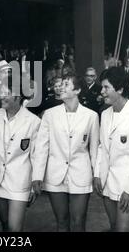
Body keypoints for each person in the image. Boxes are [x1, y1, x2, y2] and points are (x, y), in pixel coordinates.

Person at [34, 75, 99, 232]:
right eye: (60, 84)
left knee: (79, 222)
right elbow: (42, 147)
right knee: (61, 221)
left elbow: (94, 149)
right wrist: (37, 176)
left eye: (66, 84)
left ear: (77, 90)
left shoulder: (91, 116)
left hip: (81, 173)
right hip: (55, 174)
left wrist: (96, 174)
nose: (61, 87)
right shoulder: (49, 114)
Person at [94, 67, 129, 232]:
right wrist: (98, 174)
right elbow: (101, 147)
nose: (102, 92)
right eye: (102, 87)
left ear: (119, 89)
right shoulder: (105, 114)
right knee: (113, 227)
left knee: (125, 230)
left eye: (106, 87)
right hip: (108, 184)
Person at [0, 80, 41, 232]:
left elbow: (37, 155)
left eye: (7, 93)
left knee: (14, 228)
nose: (2, 97)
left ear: (18, 96)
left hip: (20, 181)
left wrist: (34, 184)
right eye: (1, 93)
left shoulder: (34, 121)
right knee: (5, 225)